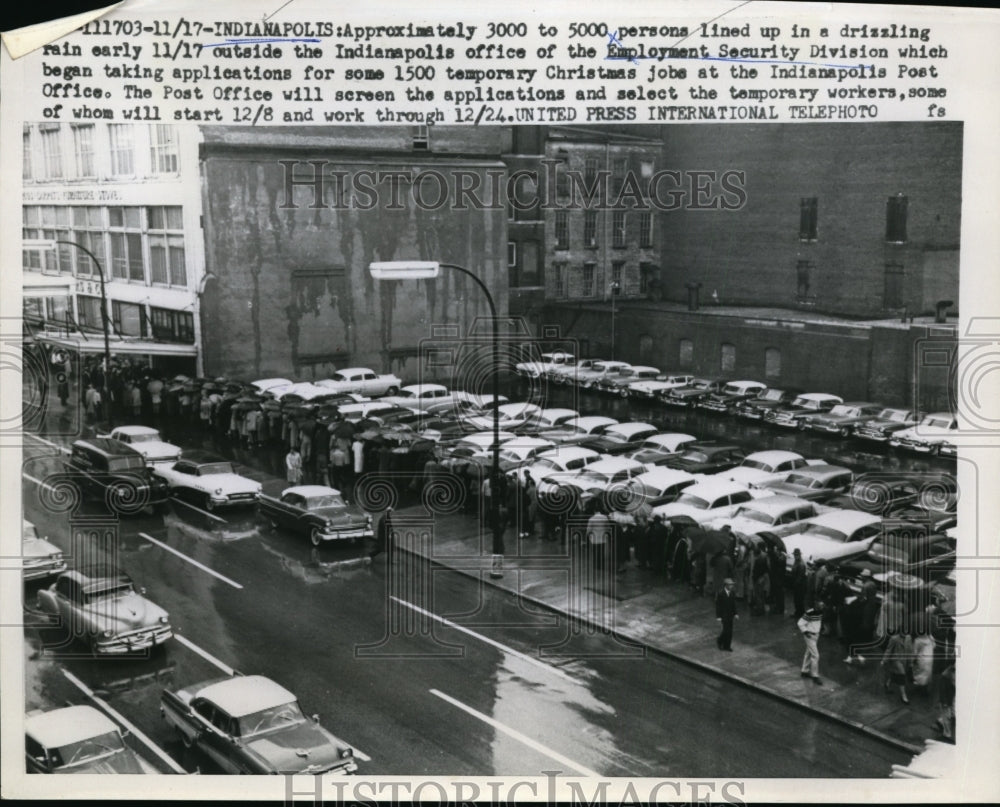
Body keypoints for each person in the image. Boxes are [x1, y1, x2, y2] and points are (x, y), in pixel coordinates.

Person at [881, 631, 913, 704]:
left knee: (895, 674)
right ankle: (903, 696)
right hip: (896, 660)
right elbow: (888, 650)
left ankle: (887, 684)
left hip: (904, 661)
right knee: (902, 675)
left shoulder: (909, 638)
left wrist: (910, 662)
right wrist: (884, 660)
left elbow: (910, 650)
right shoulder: (894, 638)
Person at [798, 600, 824, 685]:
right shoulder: (809, 613)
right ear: (815, 605)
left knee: (809, 652)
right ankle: (815, 675)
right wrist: (805, 632)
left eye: (822, 606)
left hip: (816, 635)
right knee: (815, 655)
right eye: (820, 606)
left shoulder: (820, 612)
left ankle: (804, 671)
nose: (822, 607)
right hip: (809, 635)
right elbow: (800, 623)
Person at [715, 577, 738, 651]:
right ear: (726, 585)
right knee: (726, 630)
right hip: (724, 615)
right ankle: (720, 641)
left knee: (730, 631)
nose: (731, 586)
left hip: (730, 614)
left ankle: (727, 646)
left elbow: (733, 604)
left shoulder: (732, 593)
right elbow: (718, 606)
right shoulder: (721, 593)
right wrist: (718, 616)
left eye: (732, 585)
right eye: (730, 585)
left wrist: (735, 613)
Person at [790, 548, 807, 618]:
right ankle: (798, 612)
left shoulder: (801, 564)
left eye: (796, 555)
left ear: (799, 555)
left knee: (799, 600)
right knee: (797, 600)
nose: (795, 556)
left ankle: (800, 613)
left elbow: (800, 577)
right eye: (794, 555)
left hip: (799, 585)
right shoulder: (796, 562)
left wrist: (795, 584)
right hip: (797, 584)